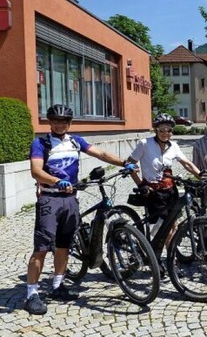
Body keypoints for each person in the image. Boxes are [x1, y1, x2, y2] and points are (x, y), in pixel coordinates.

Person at [25, 104, 137, 315]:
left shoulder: (76, 141)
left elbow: (101, 153)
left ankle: (58, 286)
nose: (60, 124)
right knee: (41, 248)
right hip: (50, 200)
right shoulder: (41, 143)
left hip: (71, 200)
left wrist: (125, 163)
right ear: (50, 122)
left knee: (64, 246)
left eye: (64, 121)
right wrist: (56, 181)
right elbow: (36, 171)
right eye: (56, 121)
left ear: (69, 123)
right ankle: (31, 294)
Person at [125, 113, 202, 238]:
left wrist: (201, 176)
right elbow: (130, 164)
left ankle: (167, 253)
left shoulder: (174, 146)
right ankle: (151, 248)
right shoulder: (145, 144)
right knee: (164, 226)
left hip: (171, 191)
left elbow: (187, 164)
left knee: (172, 225)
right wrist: (140, 184)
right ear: (156, 130)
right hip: (153, 192)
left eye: (169, 130)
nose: (166, 133)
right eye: (162, 130)